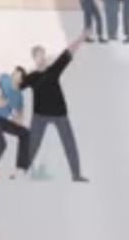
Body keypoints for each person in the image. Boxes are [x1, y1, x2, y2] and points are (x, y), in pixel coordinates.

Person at [22, 29, 90, 182]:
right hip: (40, 116)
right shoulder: (31, 77)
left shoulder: (54, 70)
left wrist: (82, 37)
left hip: (60, 114)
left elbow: (68, 52)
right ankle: (22, 170)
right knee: (32, 145)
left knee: (69, 143)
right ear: (34, 58)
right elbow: (15, 86)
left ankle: (76, 175)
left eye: (43, 54)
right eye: (39, 55)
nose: (42, 57)